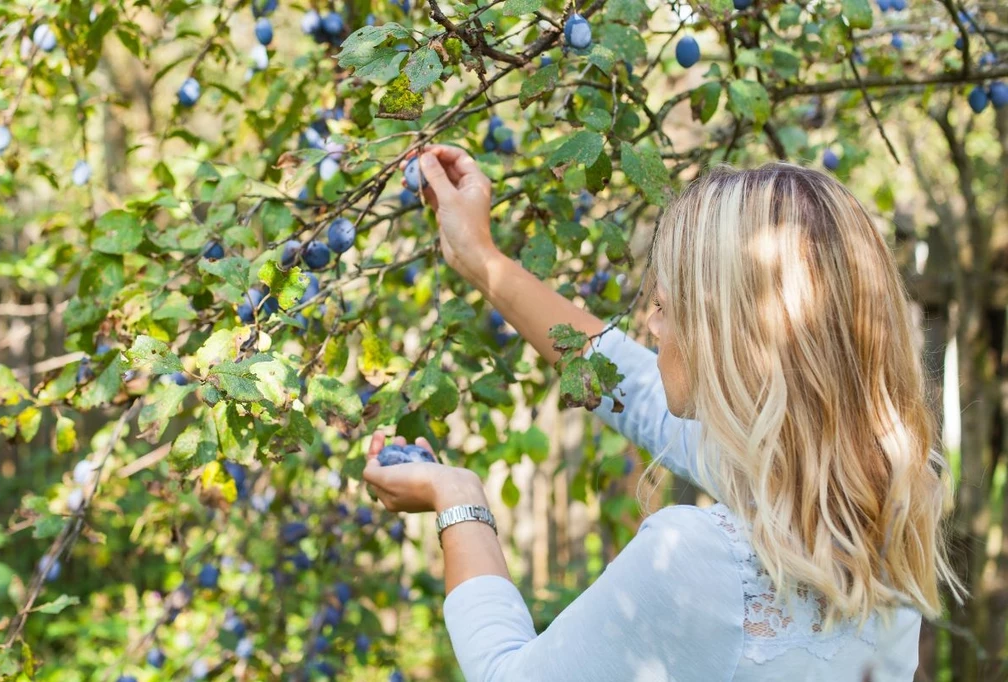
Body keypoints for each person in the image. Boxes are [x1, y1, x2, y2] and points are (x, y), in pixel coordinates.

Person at [360, 146, 963, 681]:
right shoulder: (887, 518)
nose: (650, 324)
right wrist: (479, 257)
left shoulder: (699, 562)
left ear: (723, 336)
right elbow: (634, 388)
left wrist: (458, 499)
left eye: (666, 306)